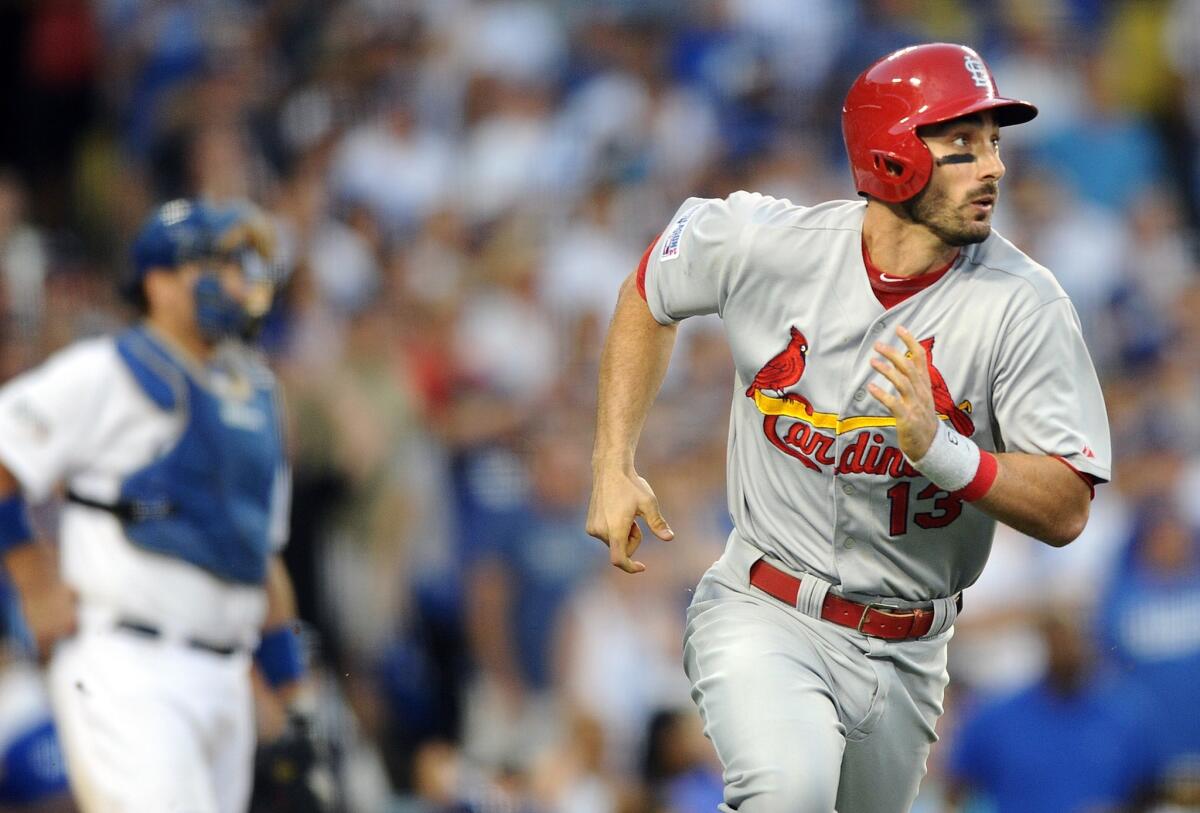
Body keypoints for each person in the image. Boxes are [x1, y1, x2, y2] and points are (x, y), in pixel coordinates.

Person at [586, 42, 1111, 813]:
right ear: (892, 153)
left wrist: (945, 451)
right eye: (964, 145)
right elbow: (649, 289)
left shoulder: (1024, 305)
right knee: (787, 794)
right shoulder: (771, 245)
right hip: (766, 606)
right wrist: (612, 460)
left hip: (913, 650)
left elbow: (1067, 505)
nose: (994, 166)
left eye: (996, 143)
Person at [0, 199, 318, 812]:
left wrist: (295, 696)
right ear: (161, 282)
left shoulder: (254, 400)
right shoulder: (107, 372)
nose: (236, 281)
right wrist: (32, 575)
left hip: (224, 677)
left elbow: (260, 559)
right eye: (218, 265)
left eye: (240, 266)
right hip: (130, 668)